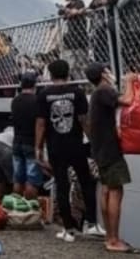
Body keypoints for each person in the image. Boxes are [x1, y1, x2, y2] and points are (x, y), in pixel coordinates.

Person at [35, 59, 103, 242]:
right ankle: (92, 223)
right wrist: (94, 143)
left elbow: (41, 123)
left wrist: (38, 148)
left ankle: (68, 228)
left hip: (56, 147)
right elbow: (83, 120)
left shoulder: (43, 94)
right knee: (86, 182)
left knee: (62, 186)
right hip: (76, 146)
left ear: (50, 74)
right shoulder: (77, 92)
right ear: (68, 73)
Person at [85, 63, 139, 254]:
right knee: (116, 191)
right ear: (103, 74)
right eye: (107, 70)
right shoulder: (104, 90)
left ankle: (109, 237)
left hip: (100, 148)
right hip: (110, 149)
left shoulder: (96, 94)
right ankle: (114, 239)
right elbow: (127, 100)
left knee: (106, 190)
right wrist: (130, 82)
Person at [11, 72, 42, 200]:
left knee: (18, 179)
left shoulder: (15, 101)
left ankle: (16, 209)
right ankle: (30, 211)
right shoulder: (37, 101)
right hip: (31, 142)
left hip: (17, 141)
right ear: (35, 85)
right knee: (32, 180)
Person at [58, 0, 89, 80]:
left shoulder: (80, 2)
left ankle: (85, 85)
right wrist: (66, 10)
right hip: (70, 39)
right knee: (70, 66)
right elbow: (61, 13)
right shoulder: (69, 5)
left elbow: (74, 12)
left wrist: (68, 11)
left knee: (81, 65)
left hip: (79, 38)